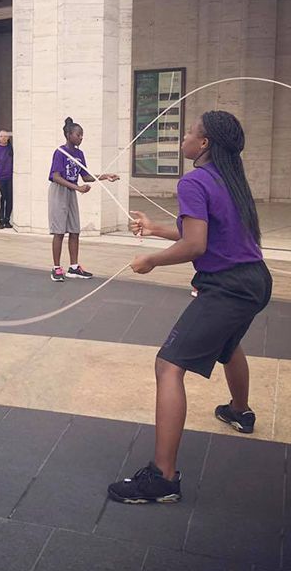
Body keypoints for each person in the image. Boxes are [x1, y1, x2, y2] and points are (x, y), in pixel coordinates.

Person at [108, 110, 272, 504]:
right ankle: (239, 411)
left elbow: (195, 245)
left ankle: (163, 478)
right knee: (228, 345)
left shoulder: (194, 180)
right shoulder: (228, 178)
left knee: (168, 366)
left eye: (190, 132)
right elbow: (201, 231)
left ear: (204, 143)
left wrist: (151, 260)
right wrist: (154, 229)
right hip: (255, 280)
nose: (184, 136)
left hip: (228, 287)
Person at [48, 117, 118, 281]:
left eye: (82, 135)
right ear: (69, 135)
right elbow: (55, 176)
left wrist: (106, 176)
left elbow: (86, 176)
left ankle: (74, 268)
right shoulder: (60, 152)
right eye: (78, 135)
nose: (81, 138)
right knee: (59, 231)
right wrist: (77, 188)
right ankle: (56, 268)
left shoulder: (79, 154)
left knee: (74, 230)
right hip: (59, 192)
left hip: (72, 192)